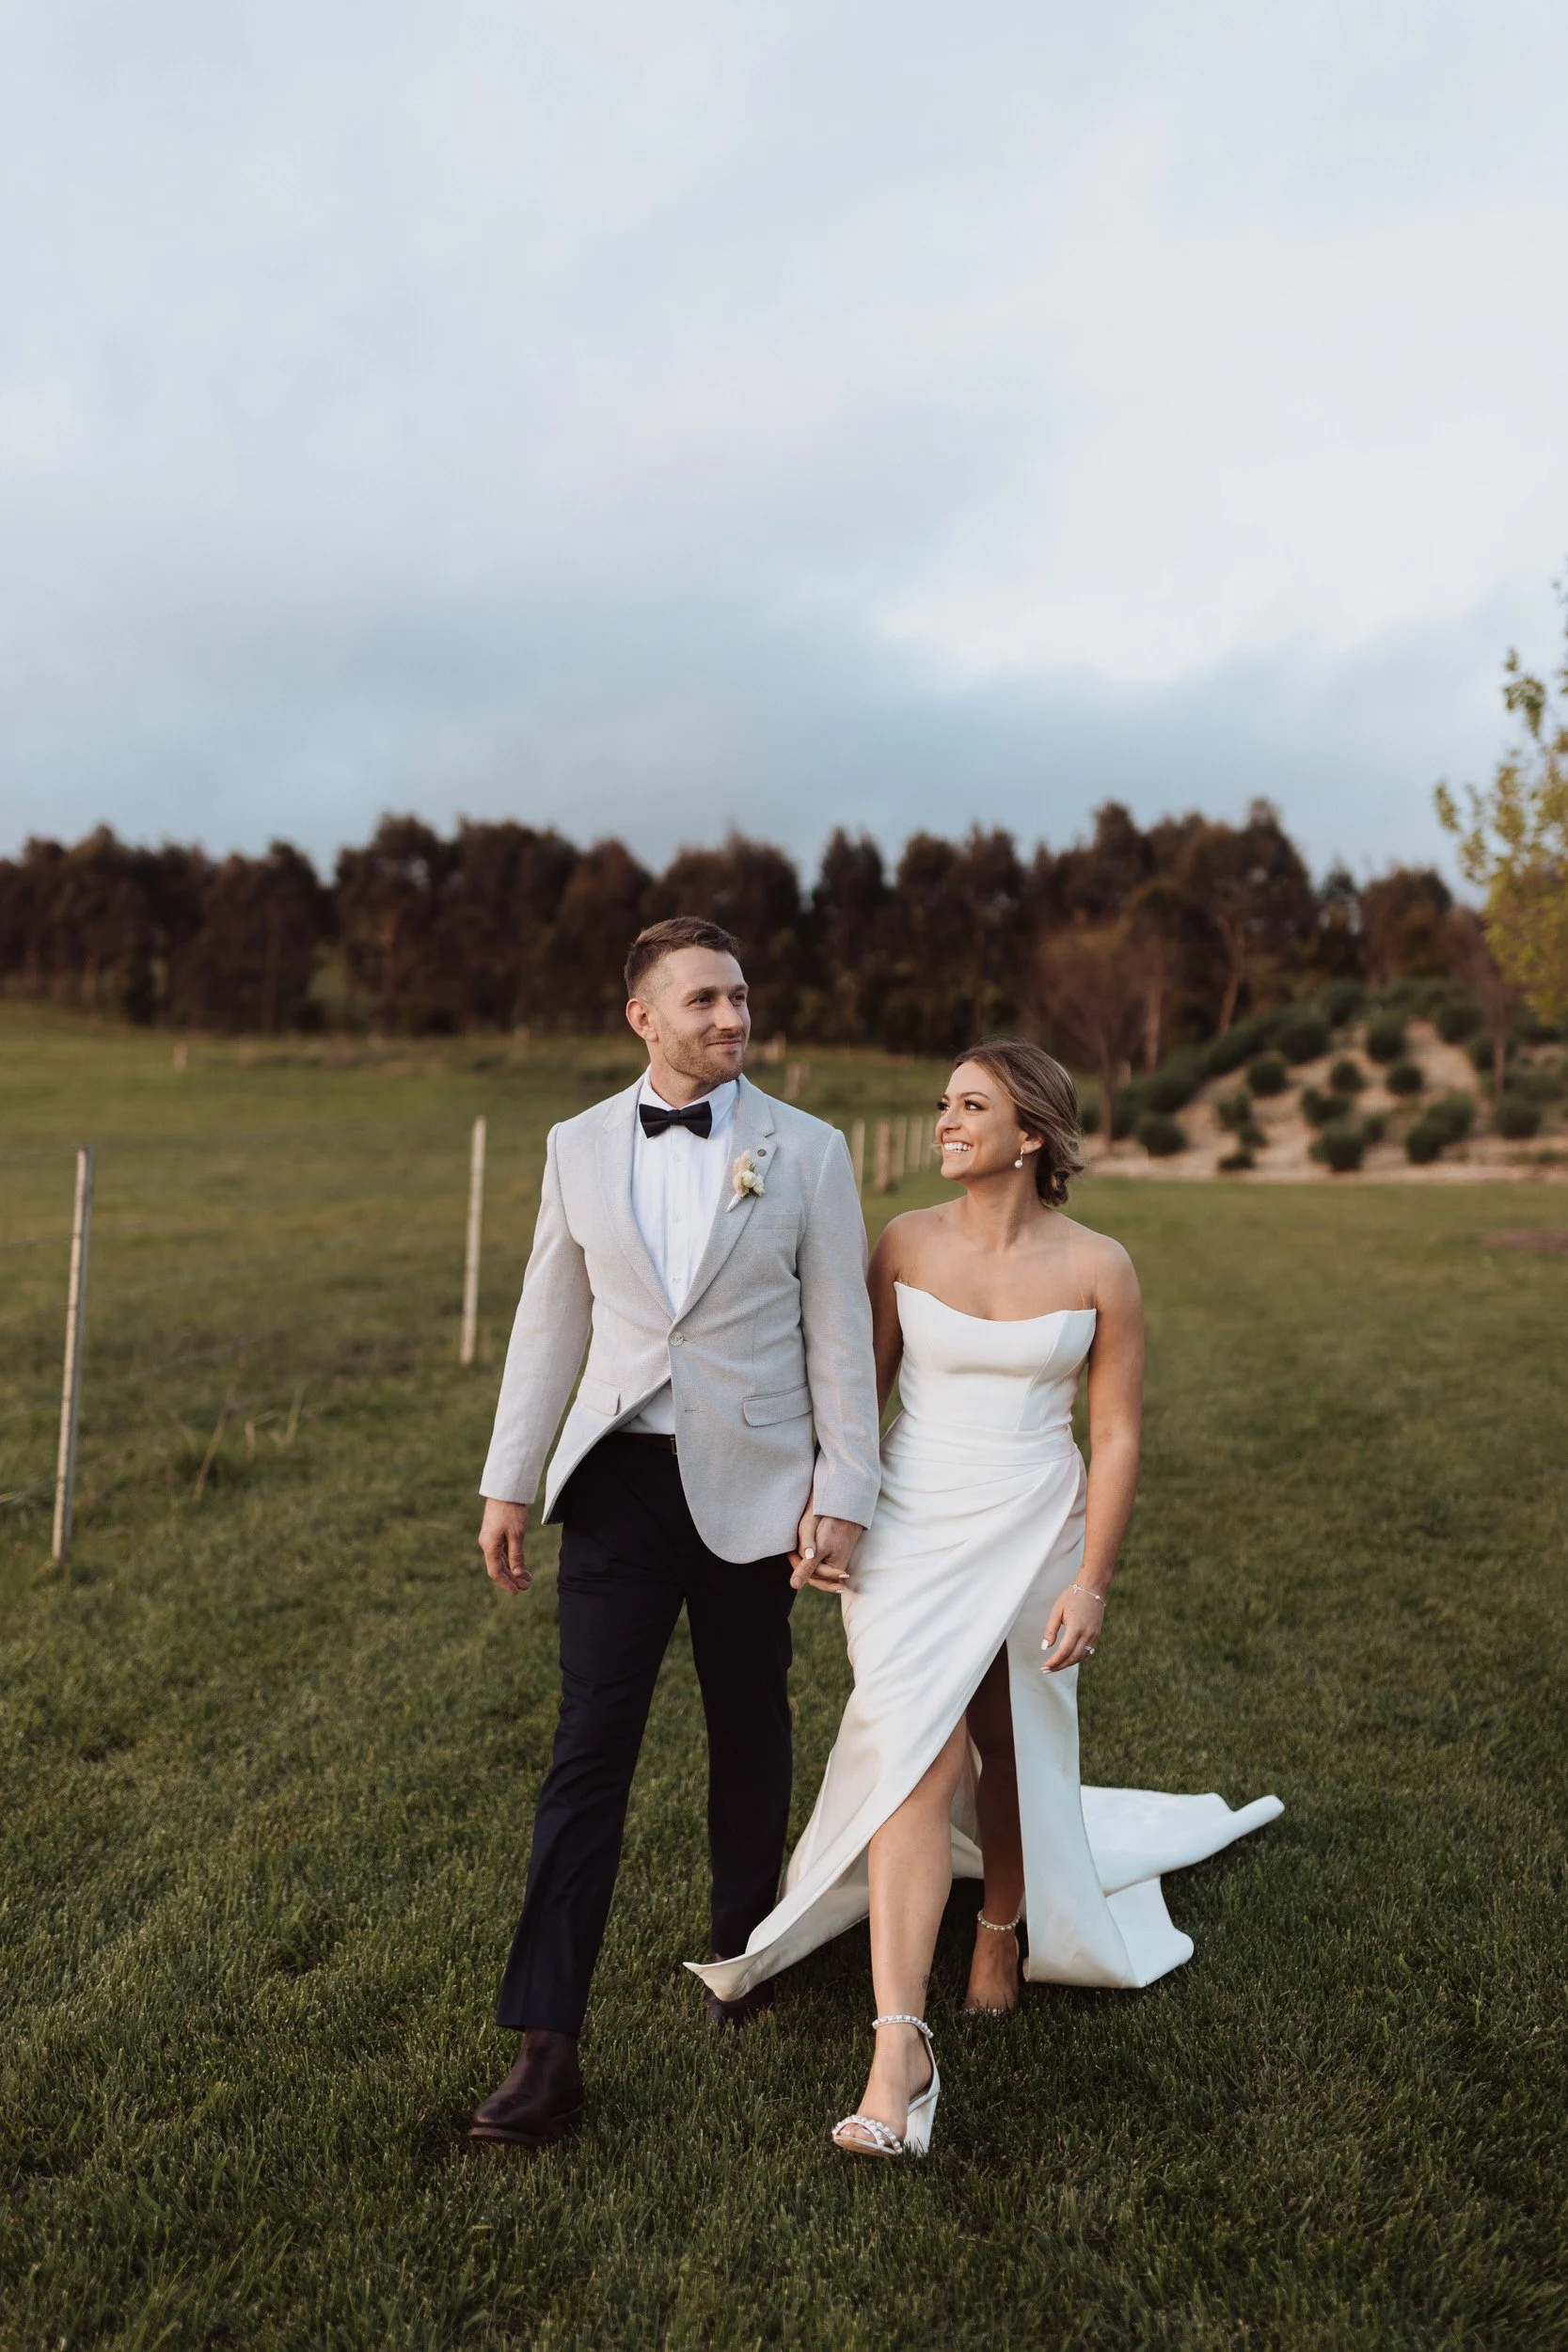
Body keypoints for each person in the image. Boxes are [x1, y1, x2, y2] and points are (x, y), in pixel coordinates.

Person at [689, 1040, 1282, 2159]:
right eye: (942, 1102)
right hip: (911, 1526)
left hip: (1035, 1524)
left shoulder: (1101, 1265)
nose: (943, 1121)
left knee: (1007, 1736)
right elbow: (852, 1399)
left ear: (1030, 1136)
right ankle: (896, 2046)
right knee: (913, 1747)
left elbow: (1113, 1435)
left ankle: (1000, 1927)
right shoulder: (902, 1242)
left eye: (970, 1105)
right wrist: (827, 1510)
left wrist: (1091, 1581)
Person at [468, 915, 881, 2149]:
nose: (730, 1017)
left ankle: (741, 1946)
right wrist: (507, 1479)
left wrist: (841, 1490)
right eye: (702, 999)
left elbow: (839, 1343)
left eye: (739, 997)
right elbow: (550, 1322)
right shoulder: (575, 1145)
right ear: (641, 1017)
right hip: (616, 1486)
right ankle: (547, 2048)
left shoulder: (805, 1151)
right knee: (586, 1750)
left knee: (750, 1726)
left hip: (756, 1483)